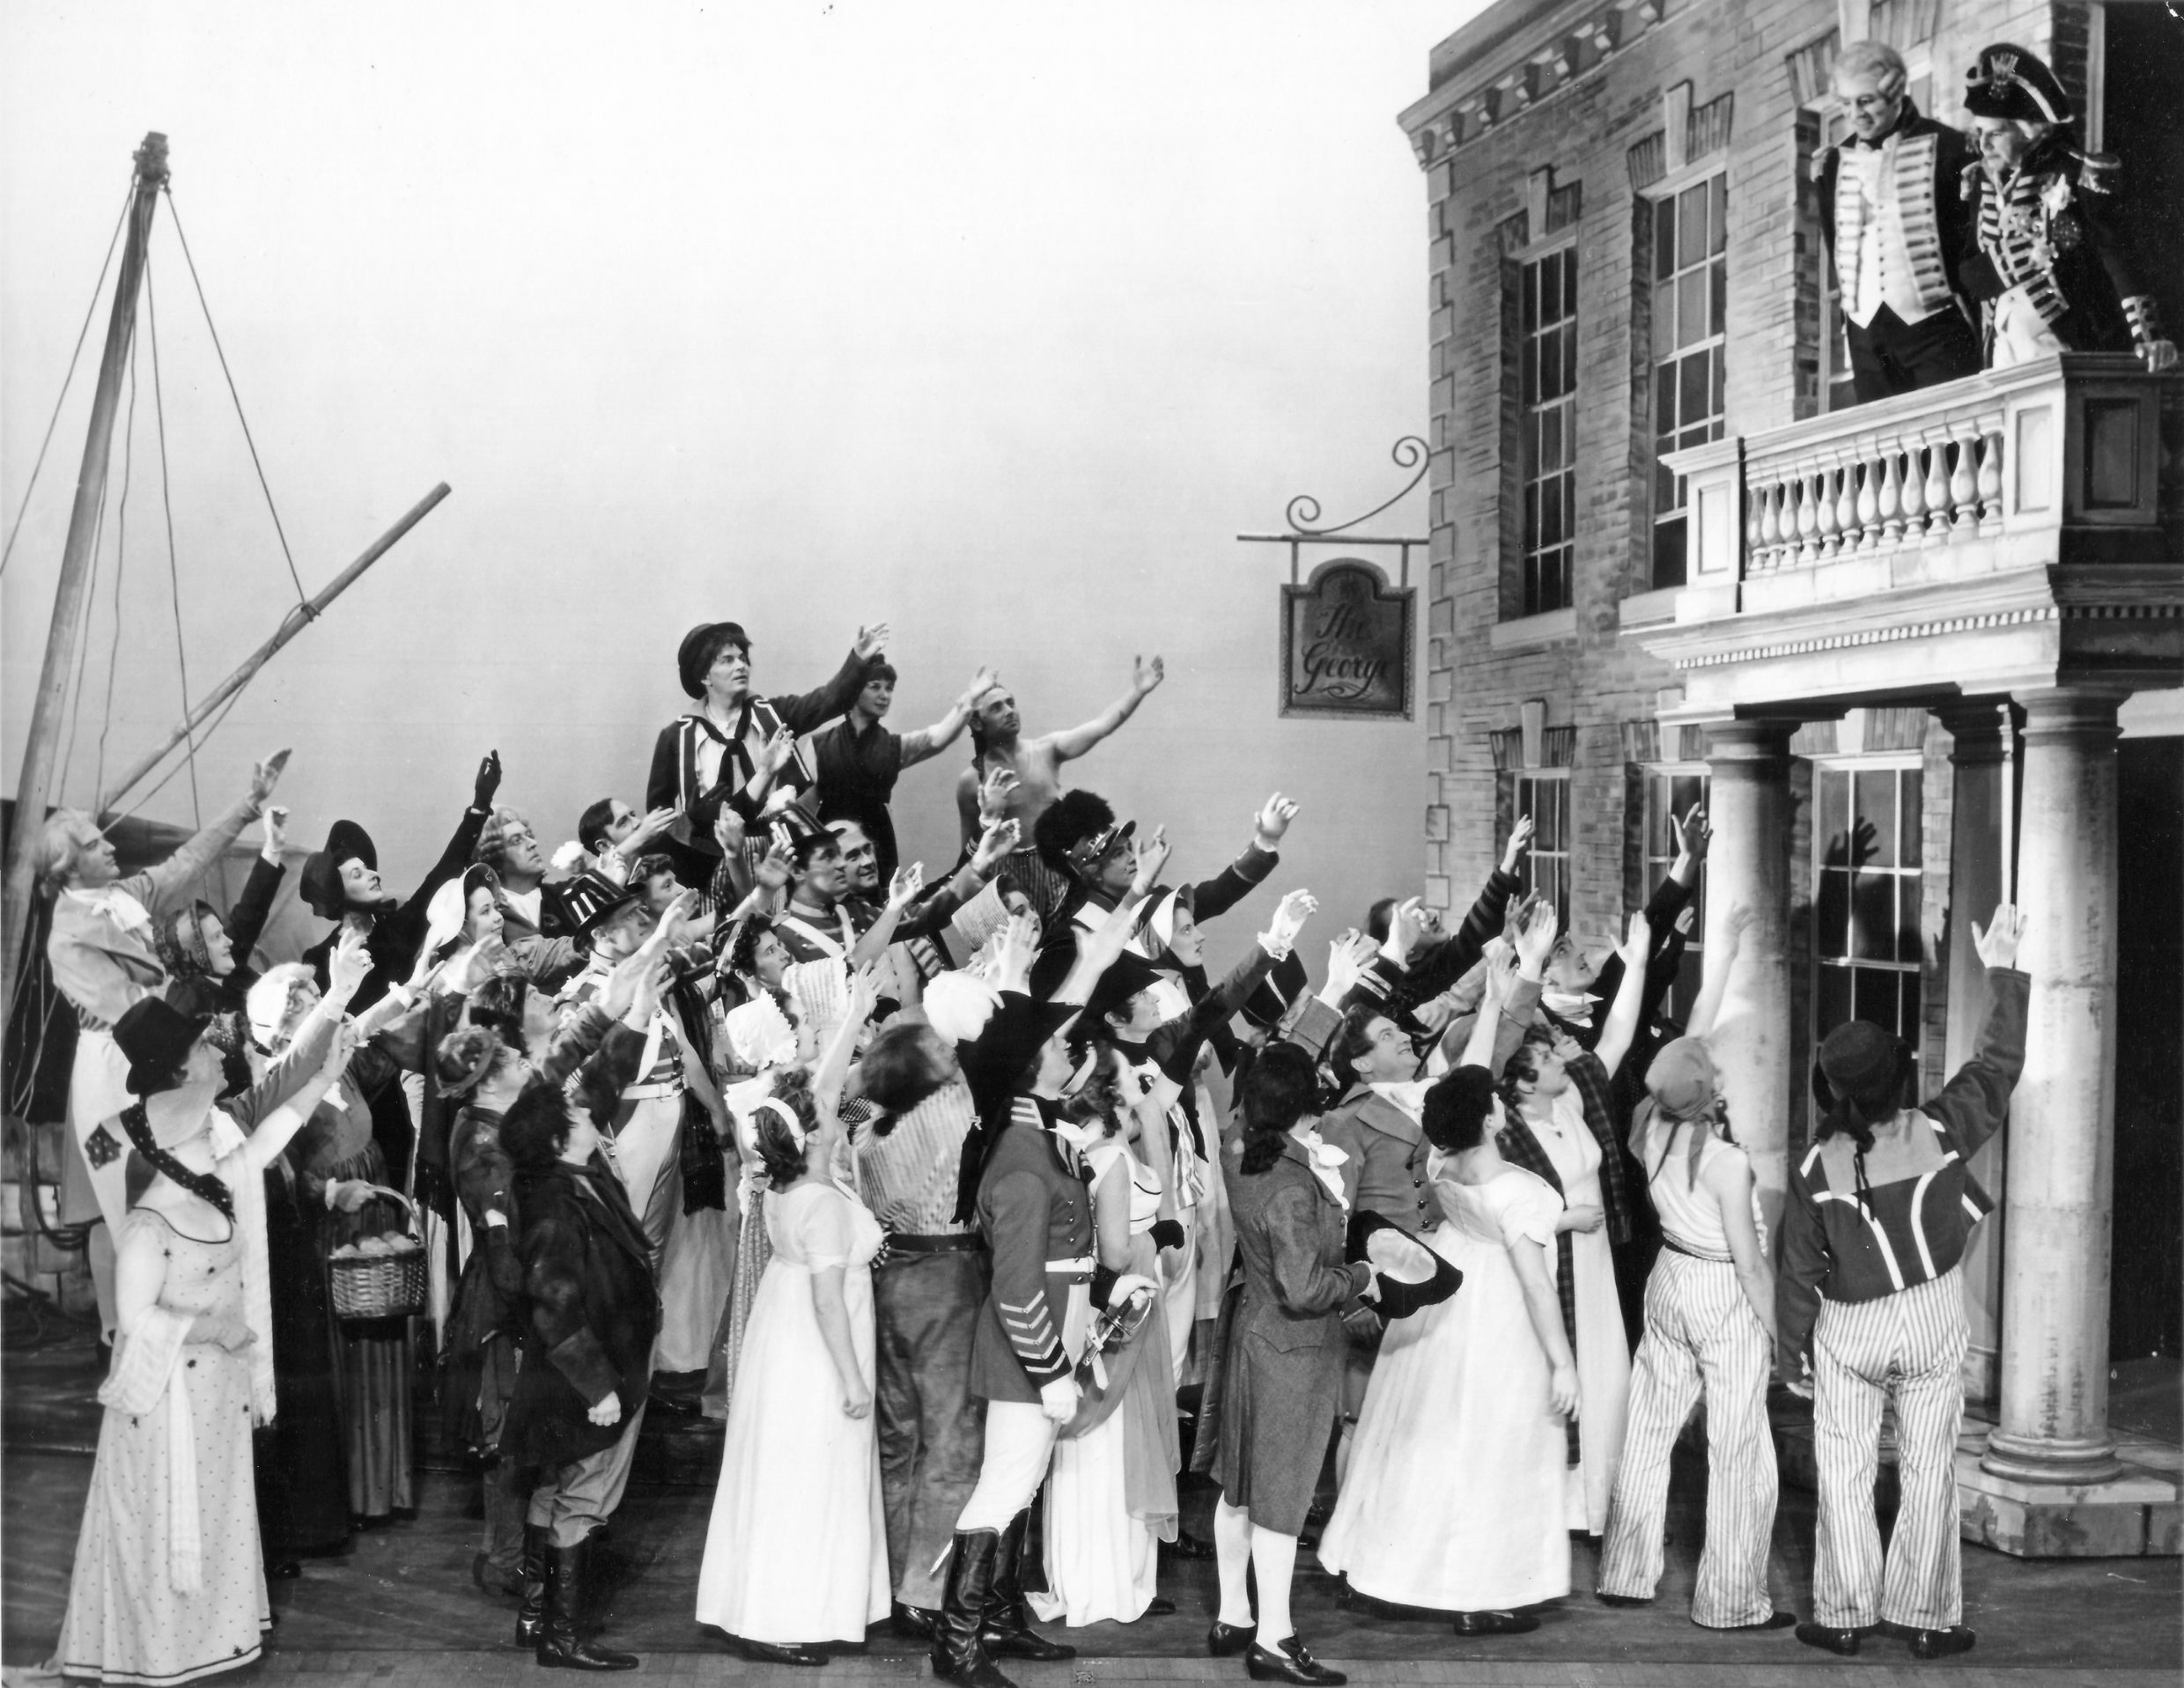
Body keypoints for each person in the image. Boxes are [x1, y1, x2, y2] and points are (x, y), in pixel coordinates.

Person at [50, 995, 351, 1686]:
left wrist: (321, 1073)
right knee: (160, 1503)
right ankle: (153, 1648)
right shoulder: (124, 1141)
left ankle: (205, 1639)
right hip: (166, 1365)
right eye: (205, 1045)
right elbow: (101, 1203)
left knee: (214, 1499)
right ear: (182, 1067)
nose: (219, 1049)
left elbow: (262, 1141)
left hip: (212, 1371)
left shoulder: (206, 1138)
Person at [1778, 904, 2027, 1662]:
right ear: (1897, 1076)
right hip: (1930, 1317)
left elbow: (1801, 1268)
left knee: (1847, 1469)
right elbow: (1998, 1065)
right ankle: (1926, 1617)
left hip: (1847, 1328)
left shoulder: (1815, 1166)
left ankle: (1845, 1613)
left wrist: (1794, 1355)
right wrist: (2005, 973)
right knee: (1928, 1466)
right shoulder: (1940, 1127)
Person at [929, 890, 1153, 1688]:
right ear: (1029, 1069)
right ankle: (958, 1642)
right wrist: (1053, 1370)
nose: (1070, 1051)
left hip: (1047, 1336)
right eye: (1056, 1047)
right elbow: (1019, 1289)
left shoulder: (1036, 1137)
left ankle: (994, 1615)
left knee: (1022, 1482)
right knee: (1002, 1486)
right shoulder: (1023, 1162)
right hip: (1031, 1346)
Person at [1317, 1014, 1577, 1634]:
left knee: (1419, 1434)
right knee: (1493, 1444)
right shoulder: (1523, 1188)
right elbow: (1537, 1284)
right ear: (1489, 1119)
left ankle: (1384, 1568)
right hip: (1499, 1313)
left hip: (1449, 1289)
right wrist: (1563, 1360)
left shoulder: (1441, 1166)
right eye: (1493, 1100)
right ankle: (1478, 1591)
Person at [1204, 1040, 1450, 1686]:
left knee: (1239, 1486)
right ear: (1299, 1109)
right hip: (1295, 1349)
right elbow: (1306, 1288)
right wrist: (1364, 1273)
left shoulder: (1239, 1148)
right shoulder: (1288, 1187)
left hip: (1251, 1336)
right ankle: (1274, 1639)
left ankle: (1233, 1614)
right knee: (1280, 1501)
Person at [37, 748, 288, 1339]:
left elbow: (190, 858)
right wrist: (207, 1035)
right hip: (116, 1064)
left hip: (167, 1048)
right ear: (71, 867)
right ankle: (130, 1334)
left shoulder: (125, 894)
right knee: (124, 1205)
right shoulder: (65, 941)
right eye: (97, 845)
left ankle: (181, 1319)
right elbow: (129, 1010)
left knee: (175, 1194)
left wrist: (248, 805)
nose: (111, 848)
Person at [1596, 908, 1792, 1630]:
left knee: (1649, 1427)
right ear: (1709, 1089)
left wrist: (1730, 949)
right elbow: (1751, 1263)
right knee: (1738, 1443)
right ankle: (1731, 1599)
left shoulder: (1649, 1121)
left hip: (1668, 1281)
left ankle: (1625, 1571)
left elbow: (1692, 1040)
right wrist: (1783, 1338)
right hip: (1718, 1287)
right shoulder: (1726, 1161)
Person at [433, 962, 653, 1608]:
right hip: (511, 1302)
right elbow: (511, 1253)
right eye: (513, 1067)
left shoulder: (512, 1115)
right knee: (514, 1438)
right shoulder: (484, 1142)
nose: (528, 1070)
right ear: (491, 1082)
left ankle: (533, 1575)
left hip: (531, 1289)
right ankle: (513, 1567)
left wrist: (632, 1006)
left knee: (538, 1443)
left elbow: (572, 1051)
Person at [697, 974, 890, 1666]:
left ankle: (772, 1604)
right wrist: (852, 1379)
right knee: (808, 1472)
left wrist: (856, 1012)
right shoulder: (825, 1202)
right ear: (813, 1133)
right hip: (815, 1347)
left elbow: (826, 1086)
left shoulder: (786, 1180)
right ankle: (787, 1611)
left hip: (781, 1337)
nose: (838, 1111)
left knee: (779, 1468)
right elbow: (828, 1303)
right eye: (827, 1114)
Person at [498, 1060, 662, 1671]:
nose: (589, 1112)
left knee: (553, 1486)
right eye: (576, 1115)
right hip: (586, 1375)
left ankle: (538, 1614)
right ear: (558, 1139)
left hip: (589, 1366)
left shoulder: (577, 1177)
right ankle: (562, 1636)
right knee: (585, 1492)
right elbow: (555, 1304)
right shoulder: (555, 1206)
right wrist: (599, 1386)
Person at [1494, 908, 1651, 1536]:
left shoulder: (1573, 1094)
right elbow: (1498, 1209)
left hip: (1593, 1264)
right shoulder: (1504, 1129)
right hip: (1550, 1262)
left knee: (1606, 1374)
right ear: (1525, 1080)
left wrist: (1636, 962)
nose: (1567, 1050)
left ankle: (1599, 1504)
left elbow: (1614, 1037)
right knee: (1552, 1380)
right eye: (1551, 1052)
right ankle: (1549, 1508)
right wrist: (1560, 1218)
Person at [551, 876, 732, 1389]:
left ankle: (639, 1366)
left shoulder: (650, 983)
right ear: (599, 938)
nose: (641, 920)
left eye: (639, 912)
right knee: (625, 1251)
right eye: (629, 917)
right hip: (626, 1126)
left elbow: (683, 1050)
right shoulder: (586, 994)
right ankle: (617, 1370)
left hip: (669, 1120)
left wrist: (715, 1110)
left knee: (652, 1248)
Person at [1028, 1041, 1179, 1628]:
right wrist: (1148, 1248)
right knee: (1115, 1431)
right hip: (1121, 1290)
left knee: (1102, 1436)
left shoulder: (1088, 1149)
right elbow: (1114, 1248)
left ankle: (1100, 1573)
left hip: (1102, 1290)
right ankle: (1111, 1579)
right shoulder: (1111, 1157)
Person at [1957, 43, 2179, 372]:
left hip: (2066, 341)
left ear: (2027, 129)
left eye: (1996, 133)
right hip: (2002, 345)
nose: (1984, 145)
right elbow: (1968, 273)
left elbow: (2115, 254)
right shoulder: (1980, 182)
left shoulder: (2075, 171)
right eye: (1980, 134)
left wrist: (2147, 334)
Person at [646, 619, 889, 887]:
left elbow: (828, 700)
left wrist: (857, 660)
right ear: (704, 676)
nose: (741, 666)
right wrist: (692, 821)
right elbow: (660, 819)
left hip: (782, 846)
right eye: (727, 660)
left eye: (742, 658)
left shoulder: (774, 715)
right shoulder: (676, 737)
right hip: (710, 858)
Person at [1811, 38, 1983, 402]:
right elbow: (1836, 246)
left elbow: (1968, 245)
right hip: (1865, 337)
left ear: (1896, 91)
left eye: (1867, 100)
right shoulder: (1831, 166)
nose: (1856, 114)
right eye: (1846, 104)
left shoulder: (1951, 148)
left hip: (1936, 329)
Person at [953, 660, 1166, 918]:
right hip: (1009, 882)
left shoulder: (1045, 750)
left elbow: (1101, 726)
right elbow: (968, 851)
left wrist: (1138, 691)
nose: (1009, 711)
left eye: (1011, 703)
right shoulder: (972, 781)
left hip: (1060, 876)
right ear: (976, 722)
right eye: (997, 708)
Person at [296, 749, 502, 1010]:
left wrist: (479, 806)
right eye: (357, 874)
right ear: (337, 892)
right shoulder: (322, 958)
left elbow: (443, 872)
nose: (374, 874)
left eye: (367, 868)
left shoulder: (396, 925)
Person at [814, 660, 999, 881]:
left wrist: (970, 700)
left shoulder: (892, 747)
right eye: (875, 686)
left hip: (876, 843)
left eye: (889, 688)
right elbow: (801, 808)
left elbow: (938, 737)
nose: (884, 695)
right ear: (853, 690)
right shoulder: (820, 744)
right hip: (829, 843)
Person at [154, 802, 290, 1030]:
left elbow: (251, 909)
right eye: (217, 937)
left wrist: (273, 846)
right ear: (194, 953)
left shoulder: (218, 960)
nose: (228, 940)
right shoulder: (188, 1007)